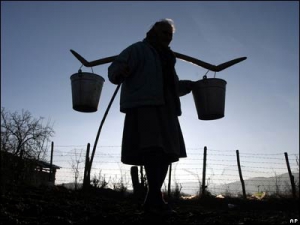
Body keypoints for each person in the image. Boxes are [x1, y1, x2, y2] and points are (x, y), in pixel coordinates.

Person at [108, 19, 194, 213]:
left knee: (166, 153)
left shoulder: (168, 58)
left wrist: (188, 86)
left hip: (168, 109)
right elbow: (115, 68)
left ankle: (153, 196)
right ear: (153, 31)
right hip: (145, 106)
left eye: (169, 34)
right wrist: (118, 72)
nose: (167, 37)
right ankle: (154, 197)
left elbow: (171, 86)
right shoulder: (138, 49)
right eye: (163, 32)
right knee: (152, 149)